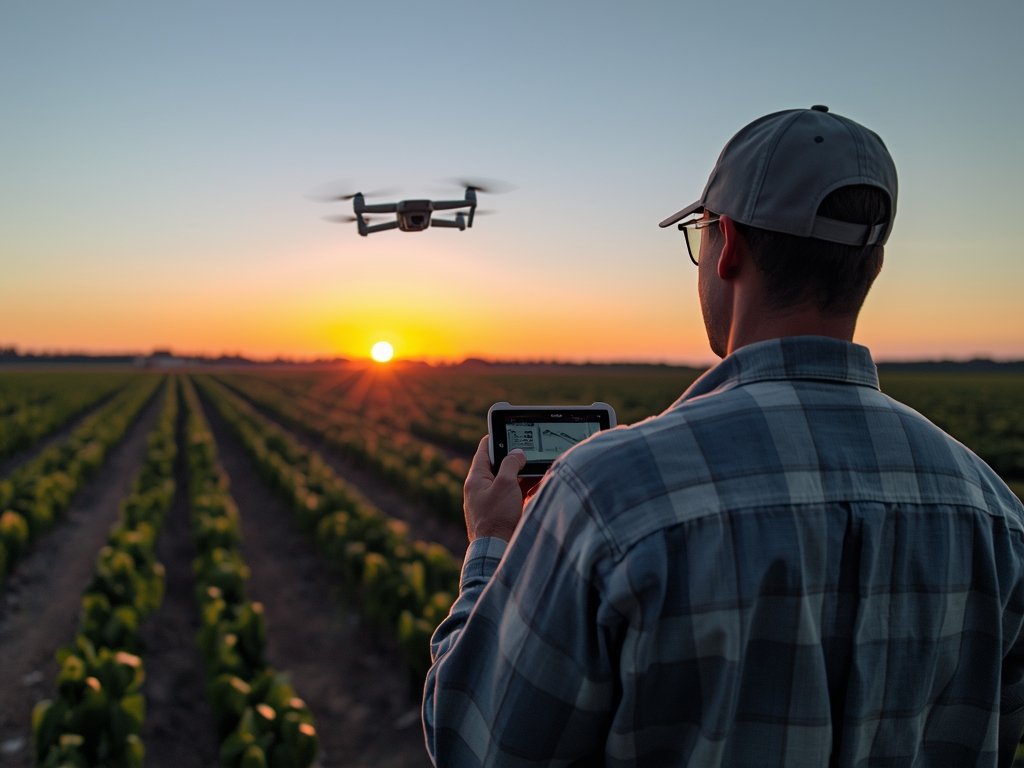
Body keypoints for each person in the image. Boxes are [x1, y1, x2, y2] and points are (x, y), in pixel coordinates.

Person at [422, 105, 1024, 766]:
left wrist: (491, 545)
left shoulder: (609, 495)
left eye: (700, 234)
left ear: (727, 244)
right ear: (873, 266)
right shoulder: (997, 516)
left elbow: (471, 742)